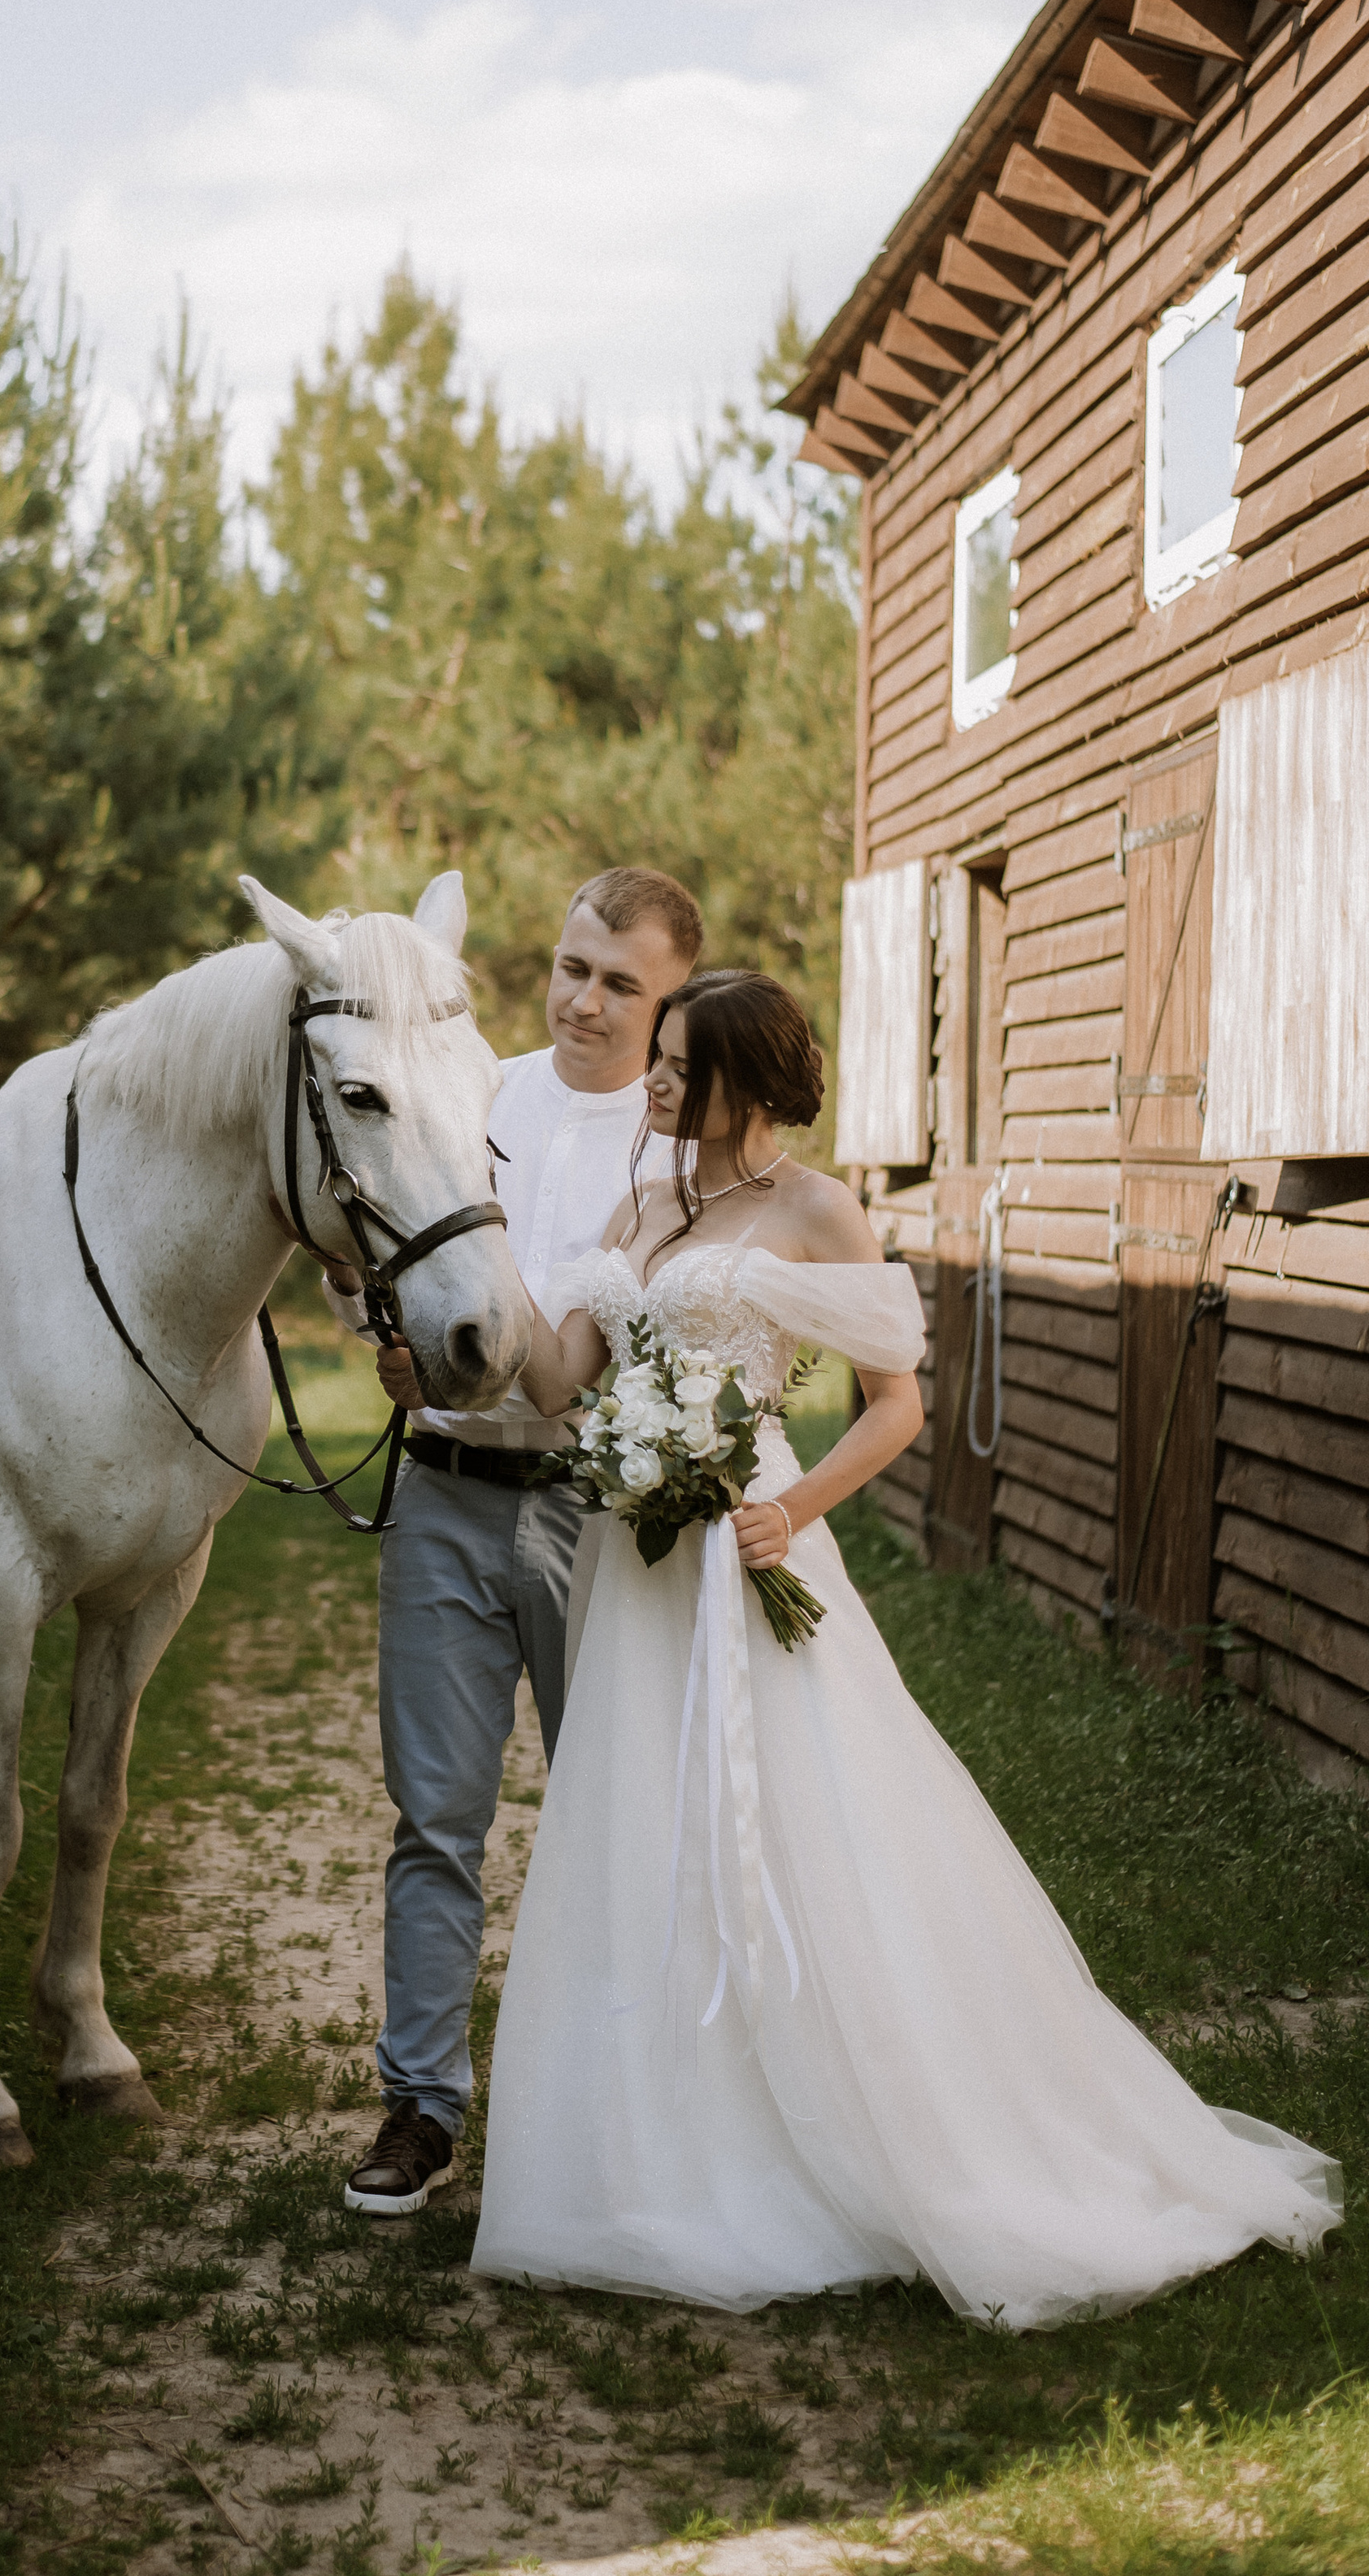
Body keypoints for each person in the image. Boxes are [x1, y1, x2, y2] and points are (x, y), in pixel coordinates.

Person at [472, 967, 1341, 2329]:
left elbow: (897, 1405)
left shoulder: (816, 1209)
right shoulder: (642, 1202)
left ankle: (861, 2124)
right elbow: (566, 1376)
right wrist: (460, 1312)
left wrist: (789, 1505)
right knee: (640, 1822)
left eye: (679, 1063)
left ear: (745, 1084)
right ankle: (646, 2151)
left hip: (750, 1541)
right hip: (635, 1562)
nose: (651, 1079)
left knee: (816, 1823)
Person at [330, 868, 705, 2218]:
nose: (583, 999)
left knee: (613, 1815)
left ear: (668, 1007)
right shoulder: (469, 1087)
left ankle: (612, 2101)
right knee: (435, 1818)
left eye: (621, 982)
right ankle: (422, 2105)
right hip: (441, 1494)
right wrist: (380, 1332)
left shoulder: (676, 1152)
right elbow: (374, 1244)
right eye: (569, 965)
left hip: (595, 1513)